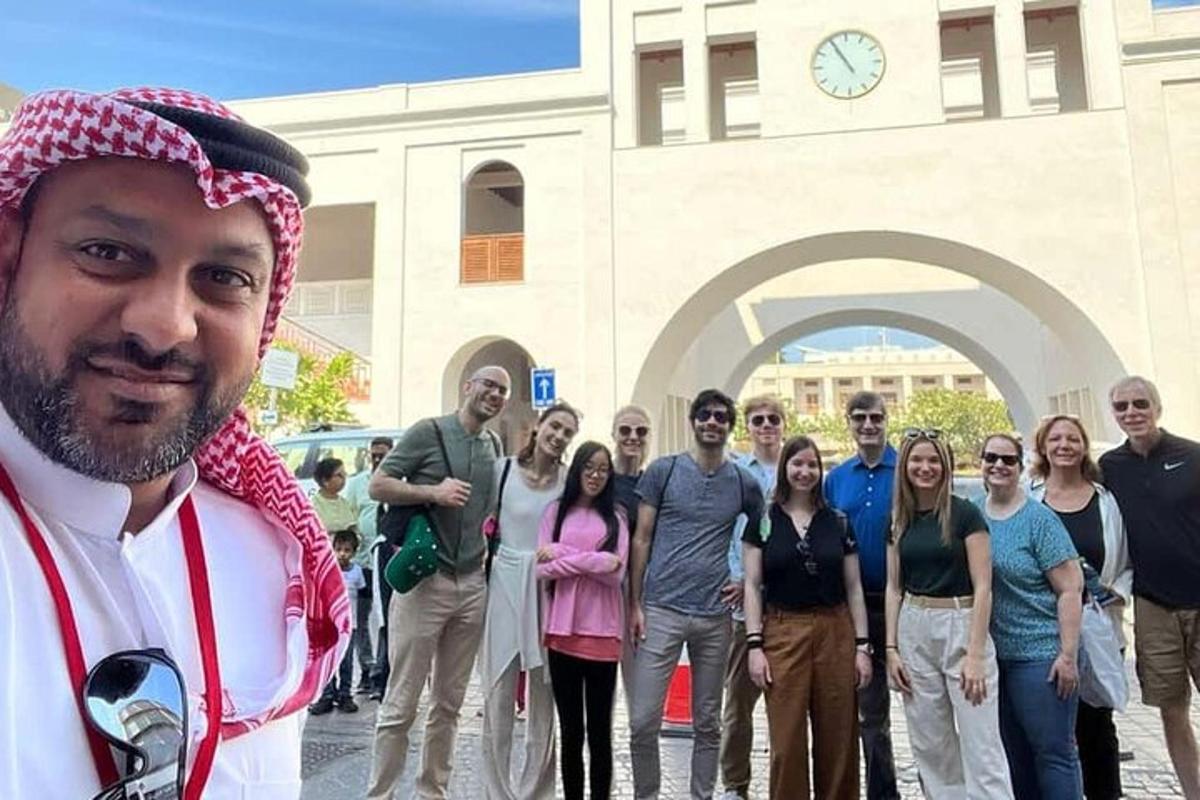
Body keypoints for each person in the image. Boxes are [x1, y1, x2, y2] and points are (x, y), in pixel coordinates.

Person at [0, 87, 349, 798]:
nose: (165, 327)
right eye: (107, 253)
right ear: (9, 263)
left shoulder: (273, 558)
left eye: (225, 279)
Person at [366, 366, 508, 799]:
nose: (495, 394)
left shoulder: (493, 444)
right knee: (401, 704)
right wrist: (432, 492)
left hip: (472, 585)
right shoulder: (427, 432)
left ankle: (432, 792)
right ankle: (381, 794)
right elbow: (378, 485)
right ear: (468, 387)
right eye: (488, 385)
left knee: (448, 706)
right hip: (427, 584)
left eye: (502, 390)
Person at [627, 388, 765, 800]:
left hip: (714, 615)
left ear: (729, 426)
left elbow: (761, 538)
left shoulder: (743, 482)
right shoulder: (664, 471)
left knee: (708, 722)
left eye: (720, 416)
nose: (712, 422)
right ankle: (646, 795)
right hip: (661, 608)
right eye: (705, 415)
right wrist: (635, 603)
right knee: (642, 721)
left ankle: (701, 796)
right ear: (693, 421)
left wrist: (746, 580)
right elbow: (641, 538)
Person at [885, 430, 1013, 799]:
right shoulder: (898, 520)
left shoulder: (965, 514)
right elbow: (894, 587)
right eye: (917, 460)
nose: (925, 467)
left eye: (933, 460)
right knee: (931, 746)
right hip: (914, 623)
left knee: (981, 744)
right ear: (904, 466)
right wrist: (891, 648)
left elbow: (984, 586)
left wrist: (975, 655)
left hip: (961, 620)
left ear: (945, 466)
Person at [743, 435, 872, 799]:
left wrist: (862, 647)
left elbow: (854, 588)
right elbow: (752, 584)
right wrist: (754, 645)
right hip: (783, 631)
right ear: (785, 467)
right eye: (797, 463)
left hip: (835, 630)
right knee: (786, 742)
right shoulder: (764, 520)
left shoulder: (837, 522)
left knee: (839, 739)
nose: (805, 471)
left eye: (812, 464)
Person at [1099, 376, 1200, 798]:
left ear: (1157, 408)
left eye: (1140, 403)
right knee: (1171, 710)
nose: (1131, 413)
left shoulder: (1192, 456)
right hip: (1152, 604)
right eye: (1121, 406)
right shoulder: (1109, 467)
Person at [480, 402, 579, 800]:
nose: (559, 436)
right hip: (504, 580)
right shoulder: (502, 471)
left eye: (567, 432)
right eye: (555, 426)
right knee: (498, 691)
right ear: (539, 426)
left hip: (549, 587)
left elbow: (578, 533)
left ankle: (536, 792)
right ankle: (497, 792)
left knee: (544, 693)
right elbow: (476, 520)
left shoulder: (569, 482)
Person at [1030, 414, 1131, 800]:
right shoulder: (1031, 500)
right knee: (1053, 728)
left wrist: (1115, 593)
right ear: (1043, 447)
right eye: (1055, 439)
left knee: (1097, 724)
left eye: (1072, 438)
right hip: (1044, 629)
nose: (1064, 445)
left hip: (1098, 627)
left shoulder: (1107, 501)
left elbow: (1125, 559)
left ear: (1084, 446)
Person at [979, 433, 1085, 799]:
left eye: (1008, 460)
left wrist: (1067, 655)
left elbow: (1070, 589)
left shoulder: (1039, 520)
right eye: (991, 457)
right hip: (995, 658)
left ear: (1020, 467)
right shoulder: (973, 515)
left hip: (1040, 657)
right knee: (1014, 756)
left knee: (1053, 755)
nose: (999, 465)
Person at [537, 441, 630, 800]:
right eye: (589, 467)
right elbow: (541, 569)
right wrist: (594, 559)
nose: (595, 475)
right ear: (577, 469)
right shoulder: (555, 513)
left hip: (604, 635)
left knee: (600, 733)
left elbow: (615, 575)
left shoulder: (617, 517)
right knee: (571, 732)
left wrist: (563, 554)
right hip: (562, 633)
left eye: (603, 469)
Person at [824, 391, 900, 800]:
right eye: (859, 418)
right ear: (849, 423)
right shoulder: (836, 479)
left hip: (904, 604)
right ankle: (881, 794)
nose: (868, 425)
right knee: (869, 711)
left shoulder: (907, 469)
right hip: (857, 609)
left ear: (887, 420)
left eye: (875, 417)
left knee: (927, 708)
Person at [720, 395, 782, 799]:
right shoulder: (737, 474)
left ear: (783, 424)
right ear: (748, 427)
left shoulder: (799, 467)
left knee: (786, 706)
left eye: (773, 418)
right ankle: (735, 784)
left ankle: (785, 781)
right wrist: (741, 579)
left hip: (787, 604)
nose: (766, 425)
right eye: (758, 420)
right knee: (738, 704)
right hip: (746, 606)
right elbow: (731, 532)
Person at [344, 436, 394, 697]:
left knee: (387, 620)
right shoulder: (357, 484)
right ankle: (366, 668)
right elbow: (349, 518)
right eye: (373, 455)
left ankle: (382, 674)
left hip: (388, 561)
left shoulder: (399, 483)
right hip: (362, 562)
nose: (376, 459)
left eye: (382, 455)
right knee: (360, 620)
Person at [611, 404, 652, 711]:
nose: (633, 437)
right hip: (602, 586)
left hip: (642, 589)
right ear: (614, 434)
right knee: (598, 687)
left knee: (640, 686)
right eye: (625, 430)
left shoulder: (654, 483)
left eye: (641, 431)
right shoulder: (600, 480)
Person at [311, 529, 367, 715]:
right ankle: (326, 695)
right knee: (328, 660)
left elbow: (361, 592)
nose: (342, 554)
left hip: (349, 625)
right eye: (339, 549)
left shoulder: (357, 572)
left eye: (347, 550)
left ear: (354, 552)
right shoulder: (328, 570)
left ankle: (345, 694)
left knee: (346, 661)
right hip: (329, 624)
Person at [312, 456, 357, 533]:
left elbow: (352, 527)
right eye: (339, 475)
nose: (344, 478)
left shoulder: (345, 503)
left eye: (344, 474)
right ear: (325, 481)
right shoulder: (314, 505)